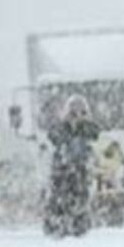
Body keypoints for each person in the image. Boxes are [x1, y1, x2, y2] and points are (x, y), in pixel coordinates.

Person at [44, 94, 100, 237]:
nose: (77, 116)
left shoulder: (87, 128)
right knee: (58, 200)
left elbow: (95, 134)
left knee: (80, 198)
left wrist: (83, 125)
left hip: (80, 172)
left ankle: (78, 224)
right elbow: (53, 136)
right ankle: (58, 225)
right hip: (61, 172)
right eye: (73, 112)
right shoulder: (60, 128)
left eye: (81, 112)